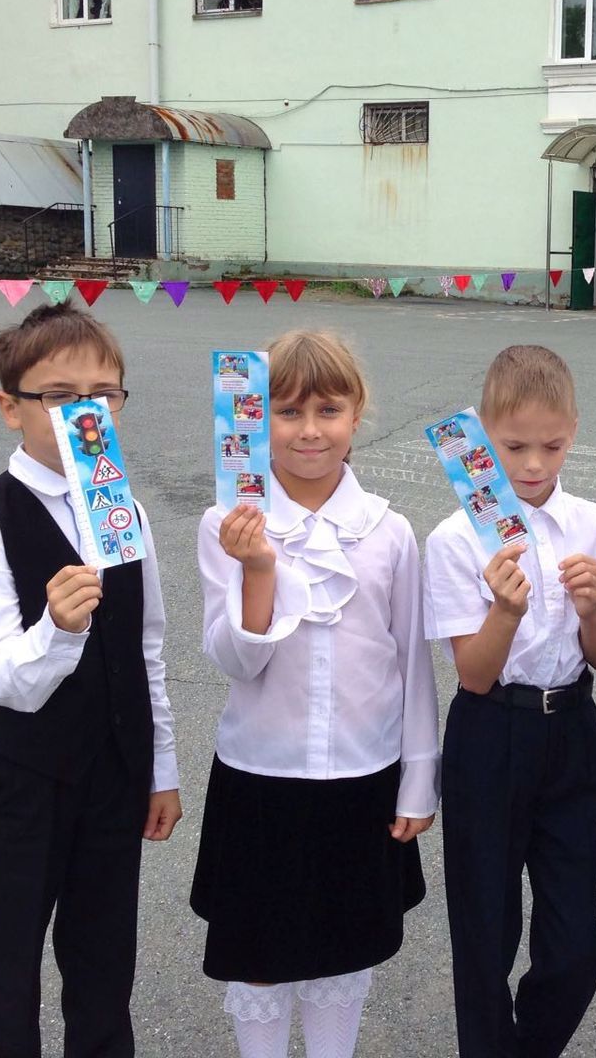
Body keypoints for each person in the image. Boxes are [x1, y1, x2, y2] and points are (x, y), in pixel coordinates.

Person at [0, 302, 182, 1058]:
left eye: (103, 394)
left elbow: (145, 644)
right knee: (1, 978)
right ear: (10, 407)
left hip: (112, 776)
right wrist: (58, 629)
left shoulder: (124, 510)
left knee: (103, 969)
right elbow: (0, 676)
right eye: (59, 397)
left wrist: (160, 769)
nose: (84, 413)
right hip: (20, 783)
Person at [191, 329, 439, 1058]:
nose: (308, 430)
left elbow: (412, 663)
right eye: (287, 411)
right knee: (258, 958)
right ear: (254, 420)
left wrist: (418, 780)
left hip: (363, 775)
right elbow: (234, 660)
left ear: (357, 415)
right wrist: (258, 569)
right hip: (260, 775)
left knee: (344, 954)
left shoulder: (390, 532)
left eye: (328, 410)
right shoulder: (226, 525)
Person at [424, 345, 596, 1058]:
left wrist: (593, 608)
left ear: (574, 431)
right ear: (482, 436)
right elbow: (474, 676)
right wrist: (505, 611)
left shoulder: (595, 524)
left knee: (575, 943)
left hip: (571, 727)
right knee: (484, 929)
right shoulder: (455, 538)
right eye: (514, 446)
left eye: (552, 445)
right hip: (490, 730)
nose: (534, 464)